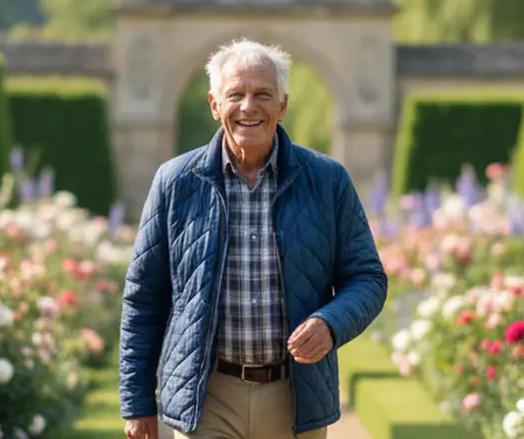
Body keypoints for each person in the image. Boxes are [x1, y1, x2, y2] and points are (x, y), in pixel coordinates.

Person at [118, 39, 388, 439]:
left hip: (296, 396)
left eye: (263, 94)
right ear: (215, 105)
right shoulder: (174, 183)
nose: (249, 107)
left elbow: (368, 278)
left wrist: (329, 324)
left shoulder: (328, 180)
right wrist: (137, 402)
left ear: (283, 104)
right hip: (206, 397)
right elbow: (144, 296)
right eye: (236, 95)